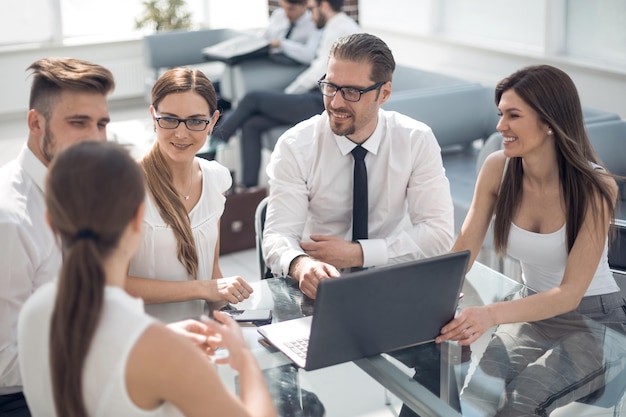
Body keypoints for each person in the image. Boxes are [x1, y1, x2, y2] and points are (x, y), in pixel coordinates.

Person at [17, 141, 277, 417]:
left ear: (50, 220)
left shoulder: (33, 312)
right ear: (137, 218)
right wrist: (246, 359)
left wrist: (163, 337)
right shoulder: (164, 354)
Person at [435, 65, 626, 415]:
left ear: (549, 121)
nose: (500, 126)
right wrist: (431, 298)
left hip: (595, 321)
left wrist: (489, 314)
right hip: (530, 309)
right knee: (479, 398)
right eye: (500, 114)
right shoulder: (499, 168)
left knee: (522, 402)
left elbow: (569, 294)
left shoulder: (596, 188)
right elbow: (466, 245)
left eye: (513, 115)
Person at [262, 33, 455, 299]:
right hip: (319, 287)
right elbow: (278, 235)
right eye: (330, 87)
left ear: (384, 93)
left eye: (352, 91)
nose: (336, 102)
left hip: (391, 280)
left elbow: (439, 233)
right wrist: (300, 264)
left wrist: (358, 253)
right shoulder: (295, 146)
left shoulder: (415, 140)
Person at [0, 57, 114, 417]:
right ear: (36, 122)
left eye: (101, 124)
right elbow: (4, 365)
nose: (96, 138)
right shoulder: (9, 221)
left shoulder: (79, 184)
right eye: (78, 123)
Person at [125, 68, 254, 323]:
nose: (181, 134)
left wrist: (236, 317)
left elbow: (212, 271)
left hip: (202, 335)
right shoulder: (126, 187)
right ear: (153, 116)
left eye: (195, 121)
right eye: (169, 119)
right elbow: (114, 285)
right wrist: (202, 288)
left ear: (213, 121)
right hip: (146, 341)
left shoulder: (216, 179)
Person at [210, 0, 361, 188]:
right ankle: (248, 190)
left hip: (323, 101)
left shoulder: (339, 31)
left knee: (252, 98)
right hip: (320, 96)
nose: (310, 15)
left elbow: (319, 71)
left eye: (312, 10)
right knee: (252, 124)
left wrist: (288, 94)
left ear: (324, 6)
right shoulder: (338, 26)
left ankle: (209, 151)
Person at [263, 0, 320, 65]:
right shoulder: (278, 14)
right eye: (283, 7)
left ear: (305, 5)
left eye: (291, 9)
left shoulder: (314, 23)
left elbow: (309, 56)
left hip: (295, 65)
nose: (286, 13)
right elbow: (264, 37)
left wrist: (281, 44)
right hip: (269, 60)